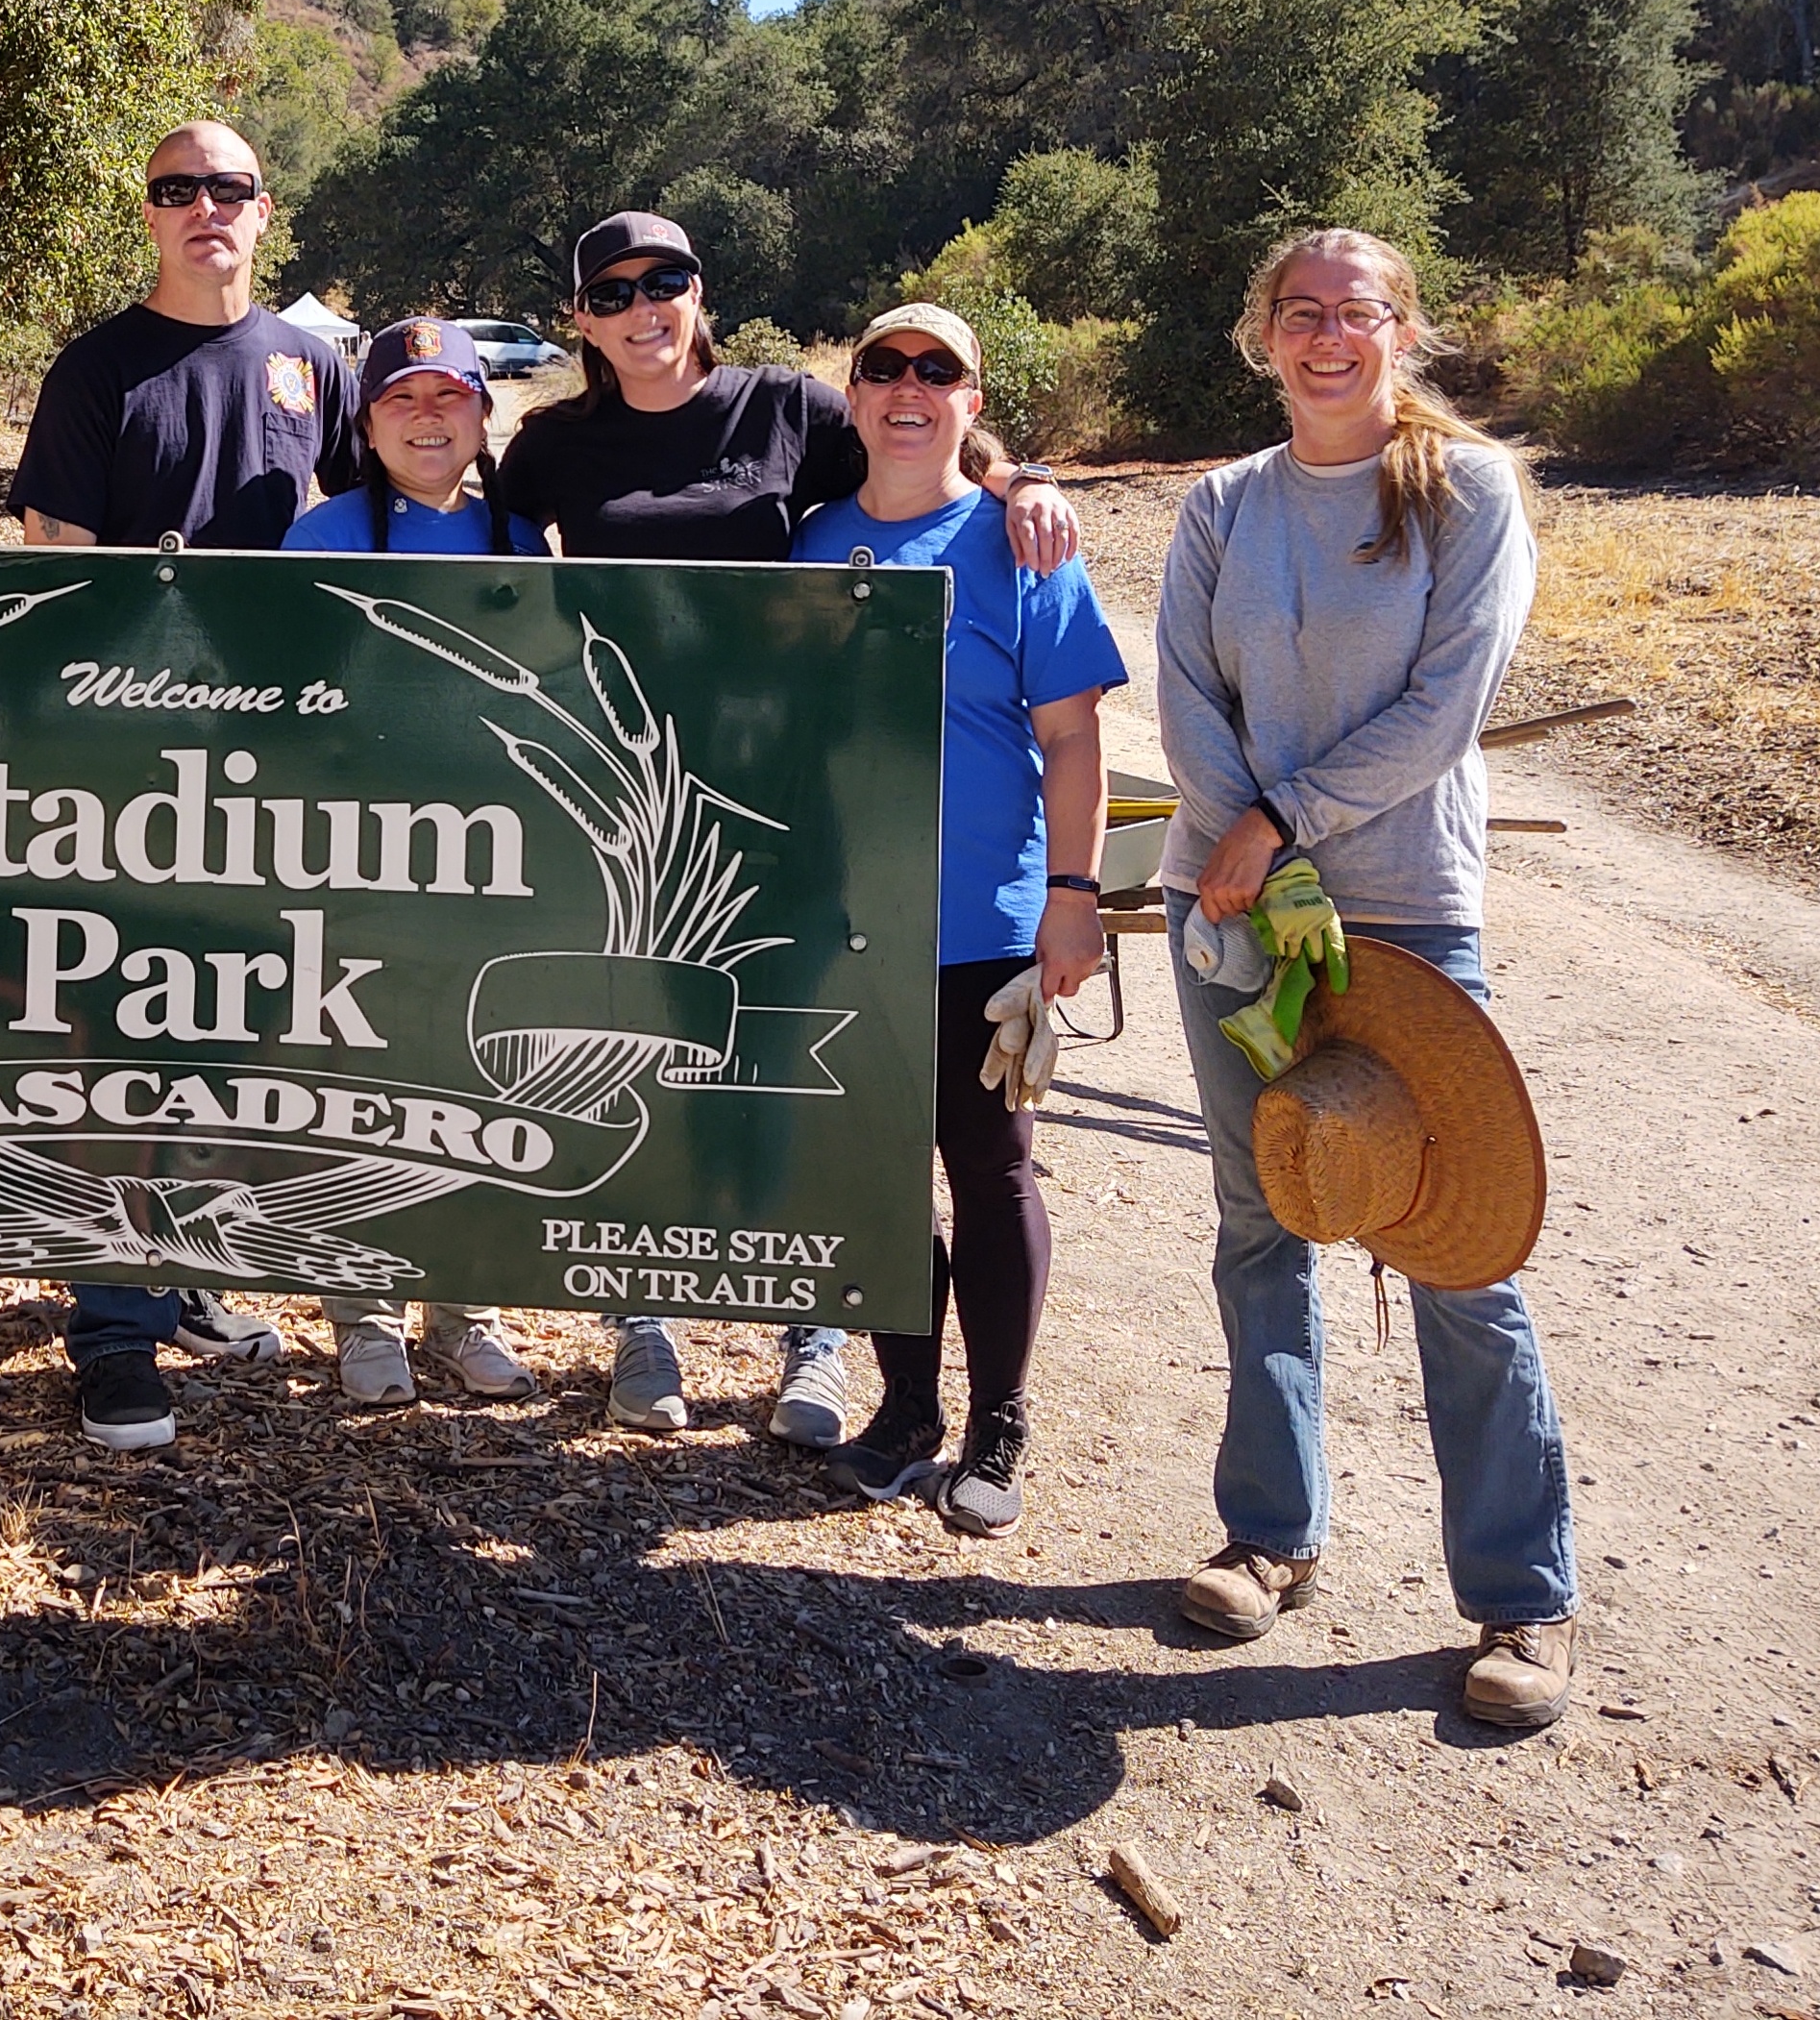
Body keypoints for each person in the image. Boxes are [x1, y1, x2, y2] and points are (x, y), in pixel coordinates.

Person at [494, 210, 1084, 1437]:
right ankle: (642, 1315)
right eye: (614, 291)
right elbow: (492, 582)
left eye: (668, 281)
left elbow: (921, 458)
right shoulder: (551, 447)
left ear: (702, 293)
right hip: (639, 806)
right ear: (583, 319)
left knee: (804, 1087)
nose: (644, 306)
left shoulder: (786, 410)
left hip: (801, 809)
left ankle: (813, 1337)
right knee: (644, 1065)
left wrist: (1026, 484)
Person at [1153, 226, 1578, 1729]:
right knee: (1262, 1217)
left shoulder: (1466, 493)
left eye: (1356, 312)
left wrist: (1284, 821)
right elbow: (1188, 703)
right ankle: (1268, 1537)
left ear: (1402, 329)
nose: (1327, 336)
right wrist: (1242, 841)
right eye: (1299, 312)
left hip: (1400, 919)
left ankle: (1521, 1599)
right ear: (1260, 334)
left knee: (1461, 1255)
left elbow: (1445, 705)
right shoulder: (1219, 503)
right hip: (1229, 913)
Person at [8, 119, 358, 1450]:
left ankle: (189, 1272)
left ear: (265, 210)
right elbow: (59, 569)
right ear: (148, 214)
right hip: (124, 770)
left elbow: (368, 549)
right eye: (175, 189)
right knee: (117, 1043)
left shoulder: (312, 369)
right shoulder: (97, 370)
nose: (201, 207)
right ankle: (110, 1332)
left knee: (229, 1040)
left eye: (226, 187)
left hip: (279, 775)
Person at [784, 303, 1124, 1536]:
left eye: (941, 371)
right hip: (840, 917)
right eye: (885, 368)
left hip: (983, 916)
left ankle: (999, 1423)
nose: (910, 388)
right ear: (855, 394)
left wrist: (1073, 900)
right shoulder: (812, 540)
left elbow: (1075, 737)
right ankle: (909, 1407)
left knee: (987, 1169)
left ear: (974, 402)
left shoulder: (1022, 544)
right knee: (869, 1177)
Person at [280, 315, 546, 1408]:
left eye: (450, 397)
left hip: (487, 861)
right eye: (402, 398)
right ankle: (363, 1311)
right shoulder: (322, 536)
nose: (428, 417)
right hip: (354, 856)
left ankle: (463, 1304)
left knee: (468, 1077)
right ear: (366, 421)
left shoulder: (522, 539)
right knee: (357, 1084)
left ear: (485, 414)